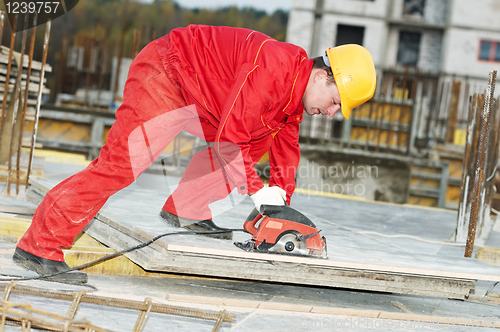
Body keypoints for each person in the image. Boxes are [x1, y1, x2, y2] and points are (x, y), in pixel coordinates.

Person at [13, 25, 376, 283]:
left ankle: (186, 208)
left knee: (261, 139)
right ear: (321, 76)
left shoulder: (294, 94)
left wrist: (280, 206)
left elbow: (287, 151)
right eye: (334, 102)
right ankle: (39, 247)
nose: (330, 113)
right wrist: (257, 191)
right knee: (121, 166)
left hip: (205, 97)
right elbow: (229, 139)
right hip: (167, 72)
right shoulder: (273, 67)